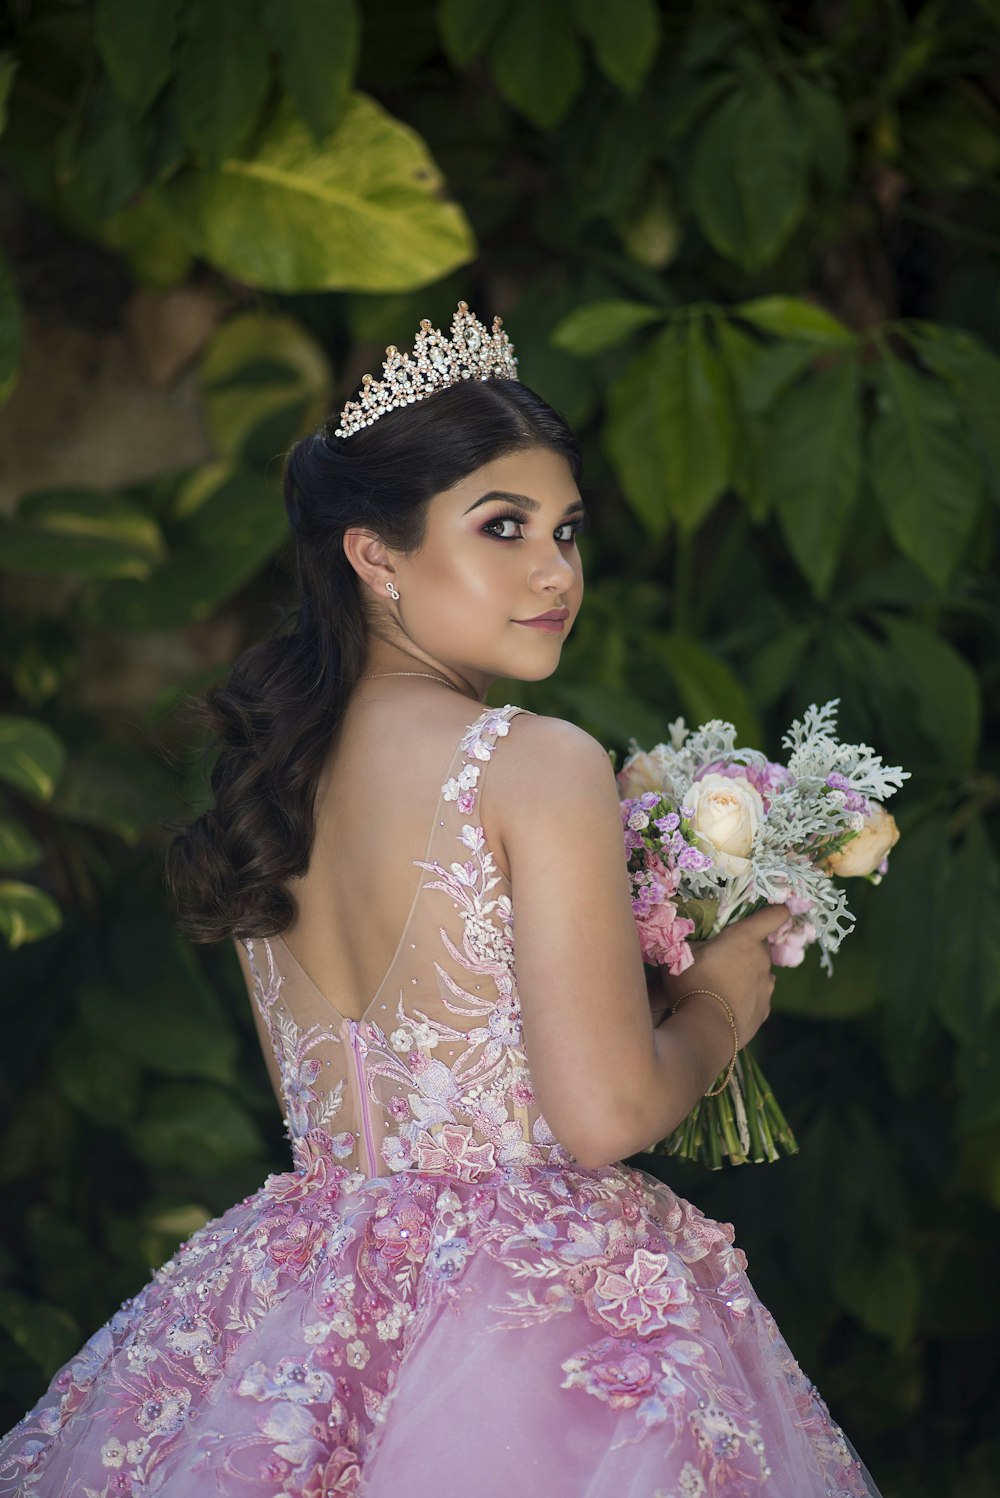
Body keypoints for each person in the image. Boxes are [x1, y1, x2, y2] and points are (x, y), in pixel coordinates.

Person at [0, 303, 881, 1497]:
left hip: (300, 1303)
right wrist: (720, 1000)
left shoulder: (272, 776)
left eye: (567, 531)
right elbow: (607, 1110)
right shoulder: (536, 760)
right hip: (530, 1318)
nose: (554, 570)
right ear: (375, 552)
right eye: (503, 527)